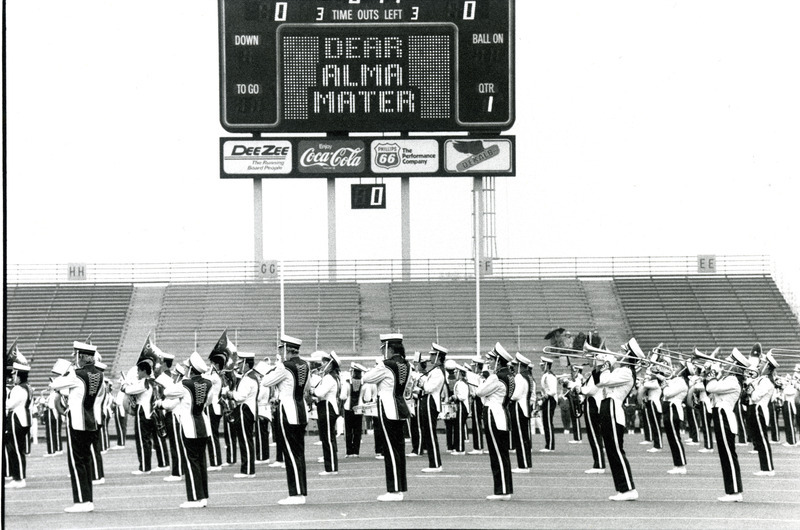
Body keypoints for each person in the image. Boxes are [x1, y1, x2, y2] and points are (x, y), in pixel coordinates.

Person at [49, 341, 104, 512]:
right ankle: (88, 499)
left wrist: (67, 370)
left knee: (76, 462)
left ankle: (81, 501)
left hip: (77, 422)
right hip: (91, 422)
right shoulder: (99, 375)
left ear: (82, 356)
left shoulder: (76, 374)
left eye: (76, 355)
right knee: (85, 461)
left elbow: (54, 384)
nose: (75, 358)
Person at [160, 351, 213, 508]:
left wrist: (181, 380)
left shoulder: (185, 384)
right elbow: (208, 401)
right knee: (201, 462)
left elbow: (167, 392)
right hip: (203, 425)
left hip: (189, 427)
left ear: (191, 369)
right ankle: (203, 496)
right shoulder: (208, 383)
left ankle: (194, 498)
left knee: (191, 463)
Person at [261, 334, 310, 505]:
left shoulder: (285, 366)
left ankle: (295, 494)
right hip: (301, 410)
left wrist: (274, 368)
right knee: (298, 453)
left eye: (282, 349)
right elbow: (306, 388)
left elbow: (266, 382)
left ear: (287, 349)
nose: (281, 352)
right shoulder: (305, 365)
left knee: (290, 453)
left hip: (288, 410)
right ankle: (301, 491)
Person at [362, 333, 411, 501]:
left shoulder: (386, 365)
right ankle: (399, 487)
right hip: (400, 407)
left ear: (390, 348)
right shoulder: (406, 364)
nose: (384, 352)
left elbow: (366, 378)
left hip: (388, 407)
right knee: (398, 449)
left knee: (390, 450)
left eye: (384, 348)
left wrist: (376, 368)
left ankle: (394, 490)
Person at [595, 339, 643, 501]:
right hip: (607, 408)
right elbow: (598, 380)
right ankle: (622, 488)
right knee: (611, 451)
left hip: (613, 410)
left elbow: (604, 380)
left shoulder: (627, 372)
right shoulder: (620, 370)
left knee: (616, 451)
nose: (619, 353)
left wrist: (607, 363)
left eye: (623, 351)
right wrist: (601, 363)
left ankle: (629, 488)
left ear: (629, 354)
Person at [705, 348, 749, 502]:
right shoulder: (727, 379)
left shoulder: (733, 381)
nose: (726, 363)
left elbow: (710, 387)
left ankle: (735, 492)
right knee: (725, 455)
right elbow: (710, 391)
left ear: (736, 366)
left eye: (729, 361)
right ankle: (731, 491)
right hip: (720, 415)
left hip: (724, 417)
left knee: (728, 455)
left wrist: (712, 372)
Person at [475, 342, 514, 501]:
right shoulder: (510, 375)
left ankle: (502, 491)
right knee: (501, 454)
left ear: (498, 360)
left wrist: (483, 379)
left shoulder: (496, 377)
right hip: (502, 413)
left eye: (491, 359)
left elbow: (479, 392)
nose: (489, 362)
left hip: (493, 413)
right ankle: (504, 489)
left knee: (497, 454)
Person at [227, 351, 260, 478]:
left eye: (241, 363)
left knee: (245, 440)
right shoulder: (250, 377)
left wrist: (230, 394)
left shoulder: (247, 379)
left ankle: (248, 470)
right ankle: (247, 469)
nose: (239, 366)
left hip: (245, 410)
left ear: (246, 364)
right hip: (247, 410)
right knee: (246, 440)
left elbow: (241, 396)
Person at [746, 351, 778, 476]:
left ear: (768, 366)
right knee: (759, 440)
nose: (759, 365)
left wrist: (749, 386)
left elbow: (754, 396)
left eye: (763, 363)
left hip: (759, 409)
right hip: (755, 409)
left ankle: (768, 468)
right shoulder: (760, 379)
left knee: (762, 440)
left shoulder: (766, 381)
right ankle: (764, 468)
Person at [417, 343, 447, 472]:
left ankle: (435, 464)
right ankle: (434, 463)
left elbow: (429, 388)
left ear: (438, 357)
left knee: (430, 433)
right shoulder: (434, 371)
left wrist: (421, 382)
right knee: (428, 433)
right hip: (427, 401)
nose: (430, 357)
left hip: (431, 402)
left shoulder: (438, 372)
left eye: (433, 355)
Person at [5, 353, 32, 489]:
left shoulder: (19, 388)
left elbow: (9, 405)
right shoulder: (26, 387)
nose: (12, 377)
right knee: (16, 449)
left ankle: (19, 478)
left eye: (14, 374)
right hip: (23, 419)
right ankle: (18, 477)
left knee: (15, 450)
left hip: (17, 420)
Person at [313, 351, 342, 475]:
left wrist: (311, 391)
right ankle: (331, 466)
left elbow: (319, 393)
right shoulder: (333, 376)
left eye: (325, 362)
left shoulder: (329, 377)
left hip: (327, 407)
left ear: (330, 365)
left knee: (328, 439)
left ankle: (331, 468)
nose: (322, 364)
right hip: (328, 407)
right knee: (328, 438)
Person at [659, 360, 689, 475]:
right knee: (672, 439)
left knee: (675, 439)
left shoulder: (681, 382)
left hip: (673, 410)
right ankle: (677, 464)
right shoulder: (675, 380)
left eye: (678, 366)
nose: (674, 368)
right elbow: (666, 383)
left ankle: (681, 466)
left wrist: (664, 384)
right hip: (669, 410)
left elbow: (667, 393)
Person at [580, 358, 606, 474]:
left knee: (594, 436)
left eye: (590, 358)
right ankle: (598, 463)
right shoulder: (594, 374)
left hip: (593, 405)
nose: (588, 361)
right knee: (593, 436)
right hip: (590, 404)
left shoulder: (597, 374)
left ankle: (599, 465)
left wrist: (578, 388)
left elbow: (592, 390)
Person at [510, 353, 532, 473]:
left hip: (519, 407)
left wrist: (508, 396)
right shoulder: (527, 375)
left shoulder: (519, 376)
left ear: (519, 365)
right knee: (524, 437)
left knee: (520, 437)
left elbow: (516, 395)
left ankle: (523, 465)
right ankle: (525, 463)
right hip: (525, 407)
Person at [341, 362, 368, 458]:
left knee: (348, 430)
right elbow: (368, 398)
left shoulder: (347, 383)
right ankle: (356, 452)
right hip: (359, 409)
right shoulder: (364, 384)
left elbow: (342, 396)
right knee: (357, 431)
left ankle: (349, 452)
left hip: (348, 408)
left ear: (352, 372)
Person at [468, 354, 486, 455]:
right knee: (477, 423)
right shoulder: (480, 376)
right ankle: (478, 445)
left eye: (473, 366)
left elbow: (477, 390)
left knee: (476, 423)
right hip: (478, 400)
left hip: (478, 400)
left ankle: (478, 447)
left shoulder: (478, 377)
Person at [451, 364, 470, 456]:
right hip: (459, 406)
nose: (455, 374)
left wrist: (455, 397)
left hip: (462, 406)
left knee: (459, 427)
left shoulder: (462, 384)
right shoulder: (459, 382)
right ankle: (457, 447)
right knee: (457, 427)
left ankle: (460, 449)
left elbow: (462, 396)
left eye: (456, 372)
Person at [539, 356, 557, 452]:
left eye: (543, 365)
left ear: (547, 365)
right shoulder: (545, 375)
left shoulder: (550, 376)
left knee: (548, 423)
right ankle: (548, 444)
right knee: (546, 422)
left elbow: (553, 391)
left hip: (550, 399)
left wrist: (544, 396)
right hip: (547, 399)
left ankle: (550, 446)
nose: (541, 367)